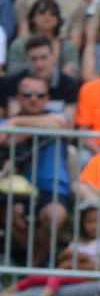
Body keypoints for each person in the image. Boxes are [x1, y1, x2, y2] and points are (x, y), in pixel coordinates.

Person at [0, 74, 74, 264]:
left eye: (40, 95)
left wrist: (17, 124)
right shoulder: (5, 123)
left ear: (48, 98)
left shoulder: (56, 117)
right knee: (10, 214)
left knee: (55, 216)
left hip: (51, 189)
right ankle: (36, 265)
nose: (34, 99)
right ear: (17, 97)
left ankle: (33, 268)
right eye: (27, 95)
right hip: (14, 190)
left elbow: (59, 125)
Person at [0, 201, 100, 296]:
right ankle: (6, 293)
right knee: (34, 277)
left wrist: (82, 259)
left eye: (97, 221)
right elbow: (61, 258)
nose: (94, 226)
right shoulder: (77, 242)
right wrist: (71, 256)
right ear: (82, 223)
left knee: (57, 274)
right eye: (89, 222)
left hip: (86, 276)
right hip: (69, 273)